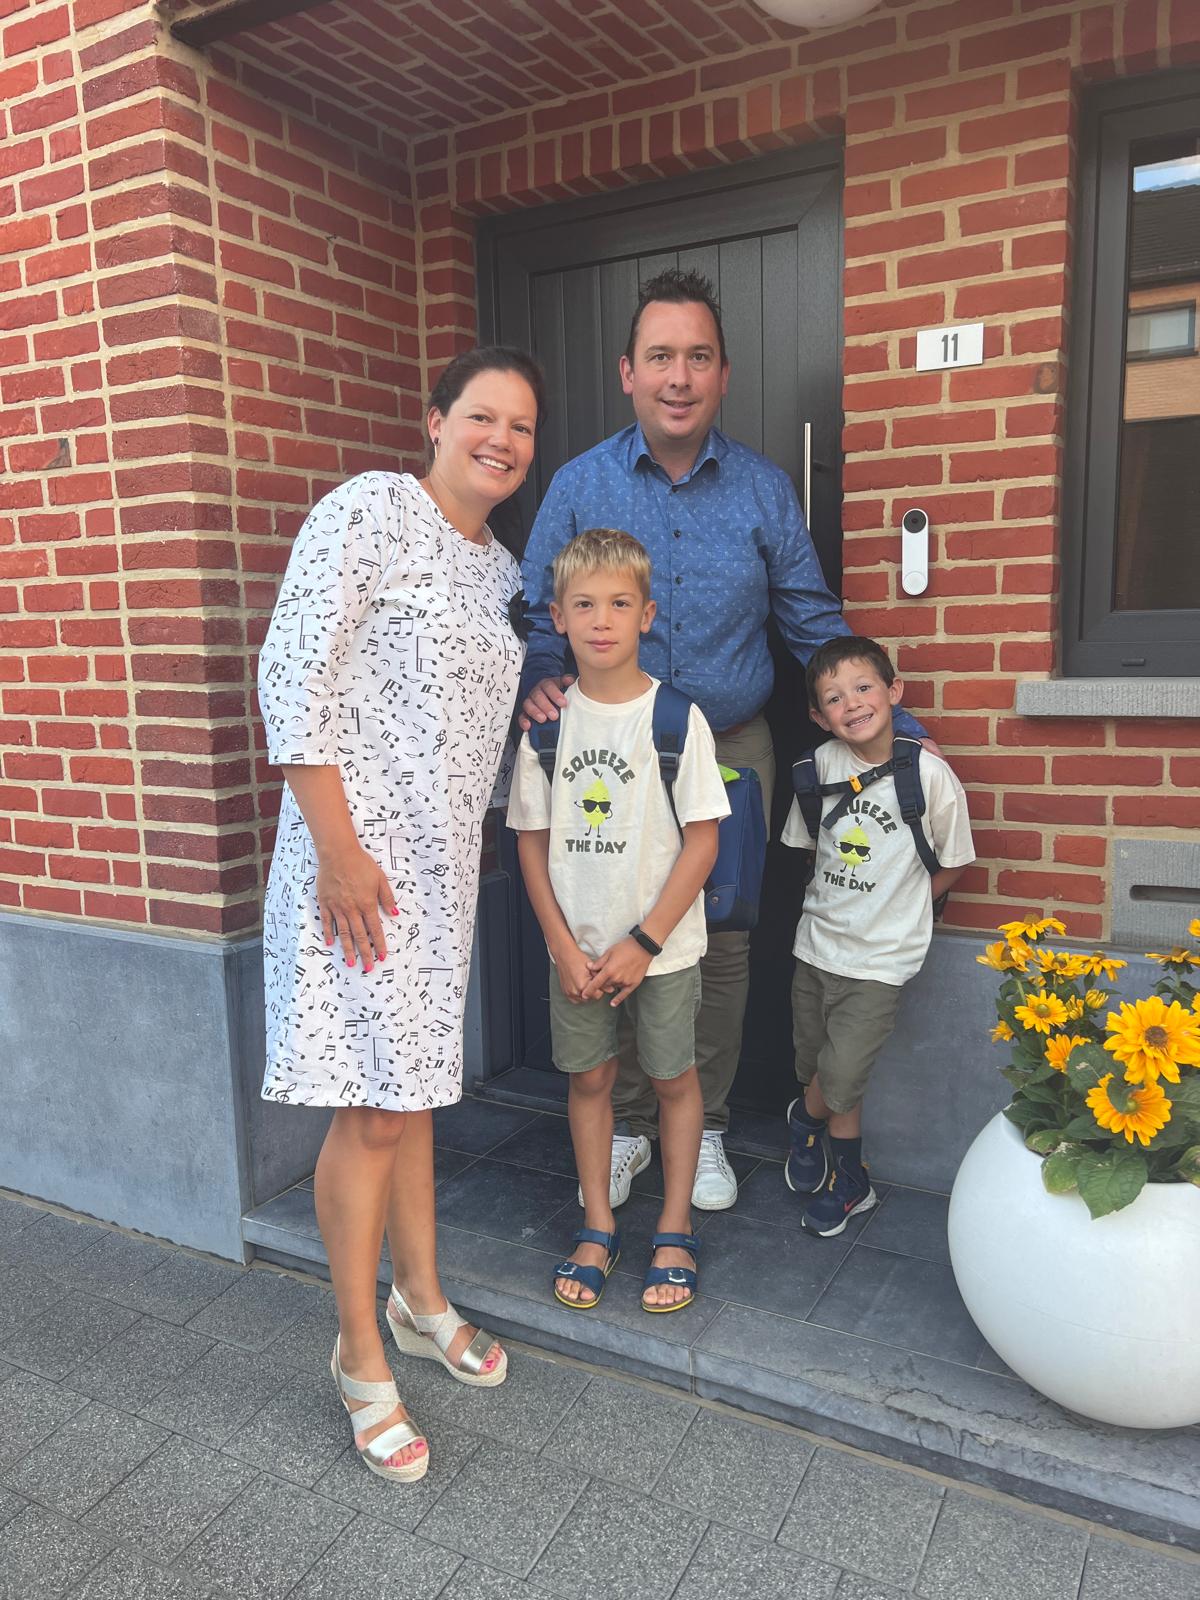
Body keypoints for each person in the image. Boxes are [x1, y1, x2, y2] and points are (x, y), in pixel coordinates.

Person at [519, 268, 931, 1212]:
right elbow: (537, 613)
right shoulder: (580, 483)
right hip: (602, 752)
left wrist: (889, 725)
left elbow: (810, 618)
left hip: (728, 747)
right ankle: (625, 1129)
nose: (678, 376)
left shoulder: (761, 489)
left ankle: (696, 1129)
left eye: (697, 357)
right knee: (607, 922)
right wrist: (541, 683)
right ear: (627, 371)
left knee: (722, 946)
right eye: (660, 356)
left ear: (723, 374)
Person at [257, 346, 544, 1483]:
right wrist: (334, 850)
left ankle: (422, 1295)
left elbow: (468, 705)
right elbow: (295, 669)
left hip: (437, 873)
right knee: (373, 1110)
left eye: (522, 426)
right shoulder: (370, 510)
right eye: (483, 414)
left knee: (414, 1092)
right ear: (437, 420)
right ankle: (359, 1349)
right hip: (357, 865)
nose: (502, 439)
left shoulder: (498, 569)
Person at [506, 529, 729, 1311]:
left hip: (659, 951)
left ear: (648, 614)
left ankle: (674, 1224)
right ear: (558, 620)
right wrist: (562, 945)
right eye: (584, 605)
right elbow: (530, 846)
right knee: (592, 1079)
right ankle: (598, 1221)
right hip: (579, 950)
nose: (602, 620)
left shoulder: (675, 718)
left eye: (620, 604)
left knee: (673, 1078)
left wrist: (644, 941)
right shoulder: (546, 728)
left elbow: (703, 841)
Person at [781, 637, 975, 1236]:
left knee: (839, 1076)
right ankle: (850, 1179)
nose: (853, 704)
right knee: (820, 1065)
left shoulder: (929, 775)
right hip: (816, 947)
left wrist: (907, 902)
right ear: (819, 715)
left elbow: (958, 860)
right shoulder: (816, 771)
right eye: (834, 698)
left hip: (881, 959)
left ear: (893, 692)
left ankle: (801, 1124)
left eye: (865, 688)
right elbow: (807, 851)